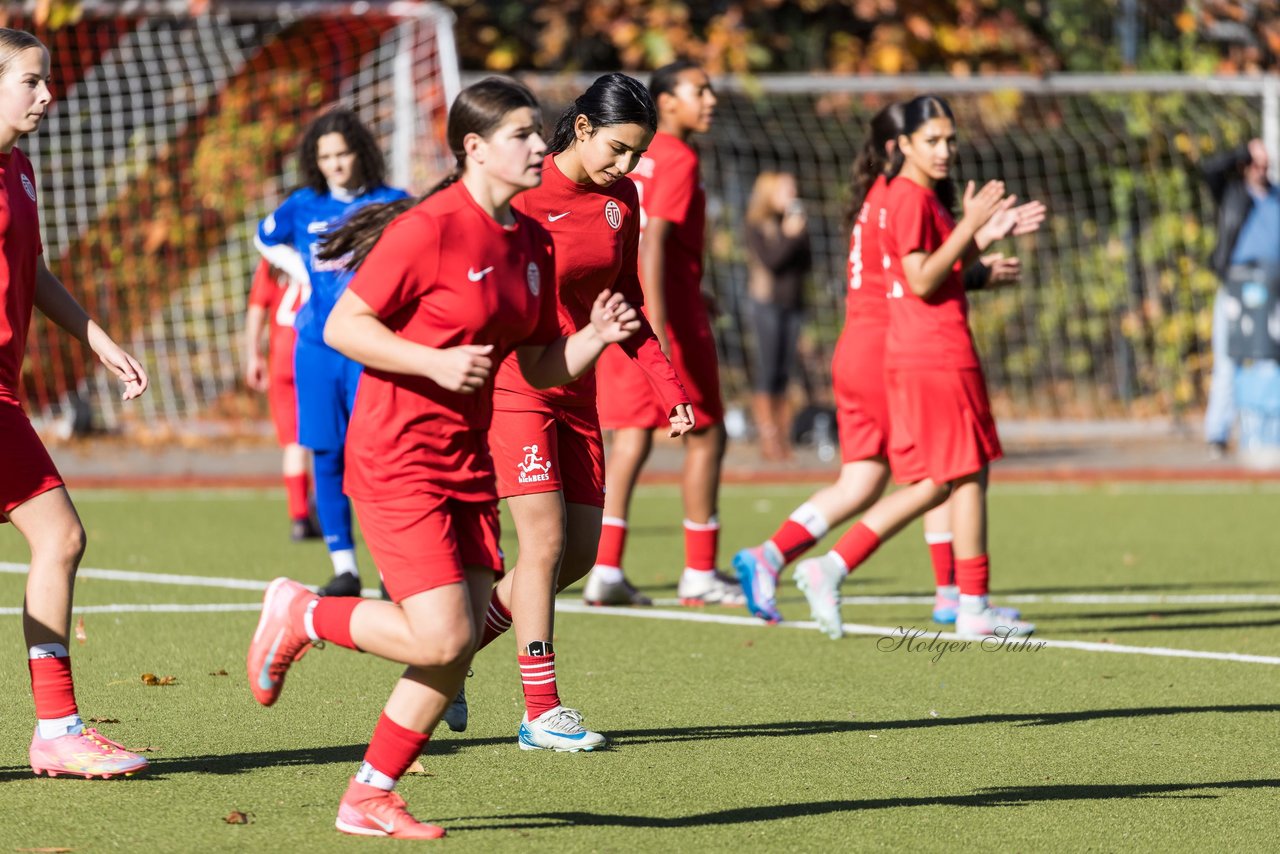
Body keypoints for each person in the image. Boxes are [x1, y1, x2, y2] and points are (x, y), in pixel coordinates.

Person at [246, 77, 642, 839]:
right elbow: (345, 327)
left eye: (539, 132)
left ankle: (369, 795)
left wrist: (595, 336)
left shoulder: (529, 242)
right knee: (442, 638)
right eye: (523, 135)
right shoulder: (427, 228)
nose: (541, 146)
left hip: (467, 457)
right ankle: (302, 611)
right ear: (475, 148)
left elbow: (539, 365)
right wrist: (431, 363)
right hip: (399, 451)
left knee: (454, 646)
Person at [734, 103, 1038, 629]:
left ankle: (772, 555)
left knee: (868, 481)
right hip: (895, 346)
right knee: (941, 473)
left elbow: (916, 269)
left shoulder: (880, 197)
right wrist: (974, 239)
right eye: (930, 139)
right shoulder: (904, 196)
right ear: (902, 145)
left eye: (948, 139)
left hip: (866, 344)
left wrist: (979, 243)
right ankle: (948, 593)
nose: (944, 150)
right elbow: (918, 279)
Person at [466, 73, 693, 748]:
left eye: (637, 155)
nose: (626, 166)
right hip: (514, 386)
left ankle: (448, 653)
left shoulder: (624, 200)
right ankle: (542, 711)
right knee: (542, 543)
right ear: (584, 128)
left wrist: (670, 388)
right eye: (617, 149)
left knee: (578, 556)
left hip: (577, 390)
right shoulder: (523, 190)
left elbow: (628, 305)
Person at [0, 28, 151, 778]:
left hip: (4, 391)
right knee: (59, 538)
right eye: (31, 81)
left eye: (47, 80)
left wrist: (97, 338)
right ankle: (57, 730)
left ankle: (57, 731)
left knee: (59, 540)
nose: (47, 95)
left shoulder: (19, 169)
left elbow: (32, 268)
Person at [590, 60, 743, 607]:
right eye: (699, 90)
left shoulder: (633, 155)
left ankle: (606, 568)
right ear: (667, 102)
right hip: (662, 314)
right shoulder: (677, 155)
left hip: (621, 309)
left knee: (630, 436)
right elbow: (655, 243)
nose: (710, 99)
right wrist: (662, 318)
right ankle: (699, 571)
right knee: (707, 434)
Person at [255, 109, 408, 596]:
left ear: (360, 152)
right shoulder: (304, 205)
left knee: (378, 453)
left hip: (372, 350)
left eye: (343, 154)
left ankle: (388, 568)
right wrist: (301, 269)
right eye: (325, 157)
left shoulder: (393, 202)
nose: (336, 165)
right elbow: (264, 236)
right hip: (316, 349)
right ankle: (345, 568)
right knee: (326, 451)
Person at [1201, 137, 1276, 458]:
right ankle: (1217, 434)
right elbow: (1209, 170)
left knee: (1269, 361)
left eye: (1265, 164)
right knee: (1228, 359)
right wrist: (1244, 151)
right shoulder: (1233, 194)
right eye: (1255, 164)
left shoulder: (1275, 198)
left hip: (1273, 289)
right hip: (1237, 286)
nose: (1261, 169)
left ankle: (1264, 432)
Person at [243, 258, 319, 541]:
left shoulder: (273, 256)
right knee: (325, 442)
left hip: (282, 360)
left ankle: (299, 517)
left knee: (294, 443)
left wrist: (253, 355)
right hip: (315, 356)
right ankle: (325, 512)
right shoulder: (320, 247)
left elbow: (256, 309)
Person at [743, 170, 812, 461]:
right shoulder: (757, 225)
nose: (792, 195)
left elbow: (806, 264)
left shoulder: (795, 223)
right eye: (786, 190)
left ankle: (783, 437)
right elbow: (772, 262)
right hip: (766, 306)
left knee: (785, 373)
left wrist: (800, 234)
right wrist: (790, 235)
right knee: (768, 371)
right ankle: (768, 439)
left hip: (793, 305)